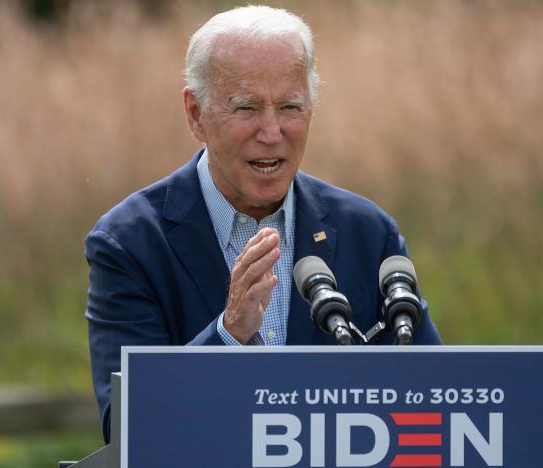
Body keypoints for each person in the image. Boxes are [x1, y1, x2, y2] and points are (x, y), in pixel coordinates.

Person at [84, 5, 441, 443]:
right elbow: (125, 426)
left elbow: (433, 401)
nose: (272, 132)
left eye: (290, 106)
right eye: (247, 108)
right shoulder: (130, 243)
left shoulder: (369, 234)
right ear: (196, 114)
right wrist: (228, 334)